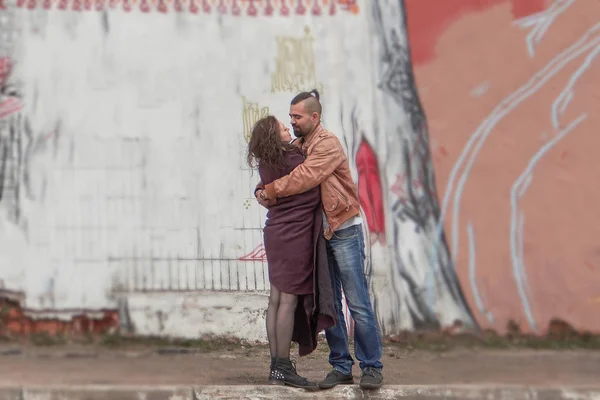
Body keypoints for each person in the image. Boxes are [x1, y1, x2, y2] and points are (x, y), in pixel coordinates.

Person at [255, 91, 384, 390]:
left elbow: (305, 176)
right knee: (330, 304)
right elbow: (277, 168)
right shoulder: (297, 145)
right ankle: (340, 365)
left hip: (343, 230)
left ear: (315, 117)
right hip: (317, 235)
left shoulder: (327, 144)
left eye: (297, 117)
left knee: (357, 302)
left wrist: (270, 191)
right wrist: (260, 190)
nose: (292, 122)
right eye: (290, 118)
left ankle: (371, 366)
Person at [247, 115, 336, 390]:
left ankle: (277, 366)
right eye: (283, 128)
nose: (288, 129)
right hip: (294, 235)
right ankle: (283, 366)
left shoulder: (267, 162)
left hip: (275, 233)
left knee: (276, 299)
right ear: (275, 137)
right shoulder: (292, 160)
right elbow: (311, 191)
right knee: (288, 301)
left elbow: (270, 192)